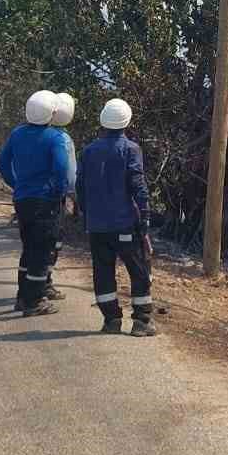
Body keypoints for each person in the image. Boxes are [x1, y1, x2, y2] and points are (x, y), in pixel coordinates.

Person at [76, 98, 158, 337]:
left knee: (103, 271)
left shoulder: (89, 151)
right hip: (124, 224)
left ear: (103, 121)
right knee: (139, 269)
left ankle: (111, 320)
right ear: (127, 122)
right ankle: (142, 322)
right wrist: (145, 219)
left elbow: (80, 187)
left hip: (97, 226)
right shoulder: (131, 149)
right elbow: (138, 186)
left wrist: (87, 214)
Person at [0, 90, 72, 316]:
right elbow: (61, 171)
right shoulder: (55, 138)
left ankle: (22, 297)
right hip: (45, 201)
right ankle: (34, 301)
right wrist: (58, 193)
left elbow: (2, 162)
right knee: (41, 251)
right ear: (50, 113)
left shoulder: (17, 133)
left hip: (22, 200)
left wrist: (15, 184)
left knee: (28, 249)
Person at [43, 92, 80, 300]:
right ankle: (45, 282)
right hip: (54, 197)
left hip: (31, 196)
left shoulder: (36, 131)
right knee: (53, 241)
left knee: (34, 242)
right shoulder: (63, 139)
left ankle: (33, 283)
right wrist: (74, 196)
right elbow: (69, 173)